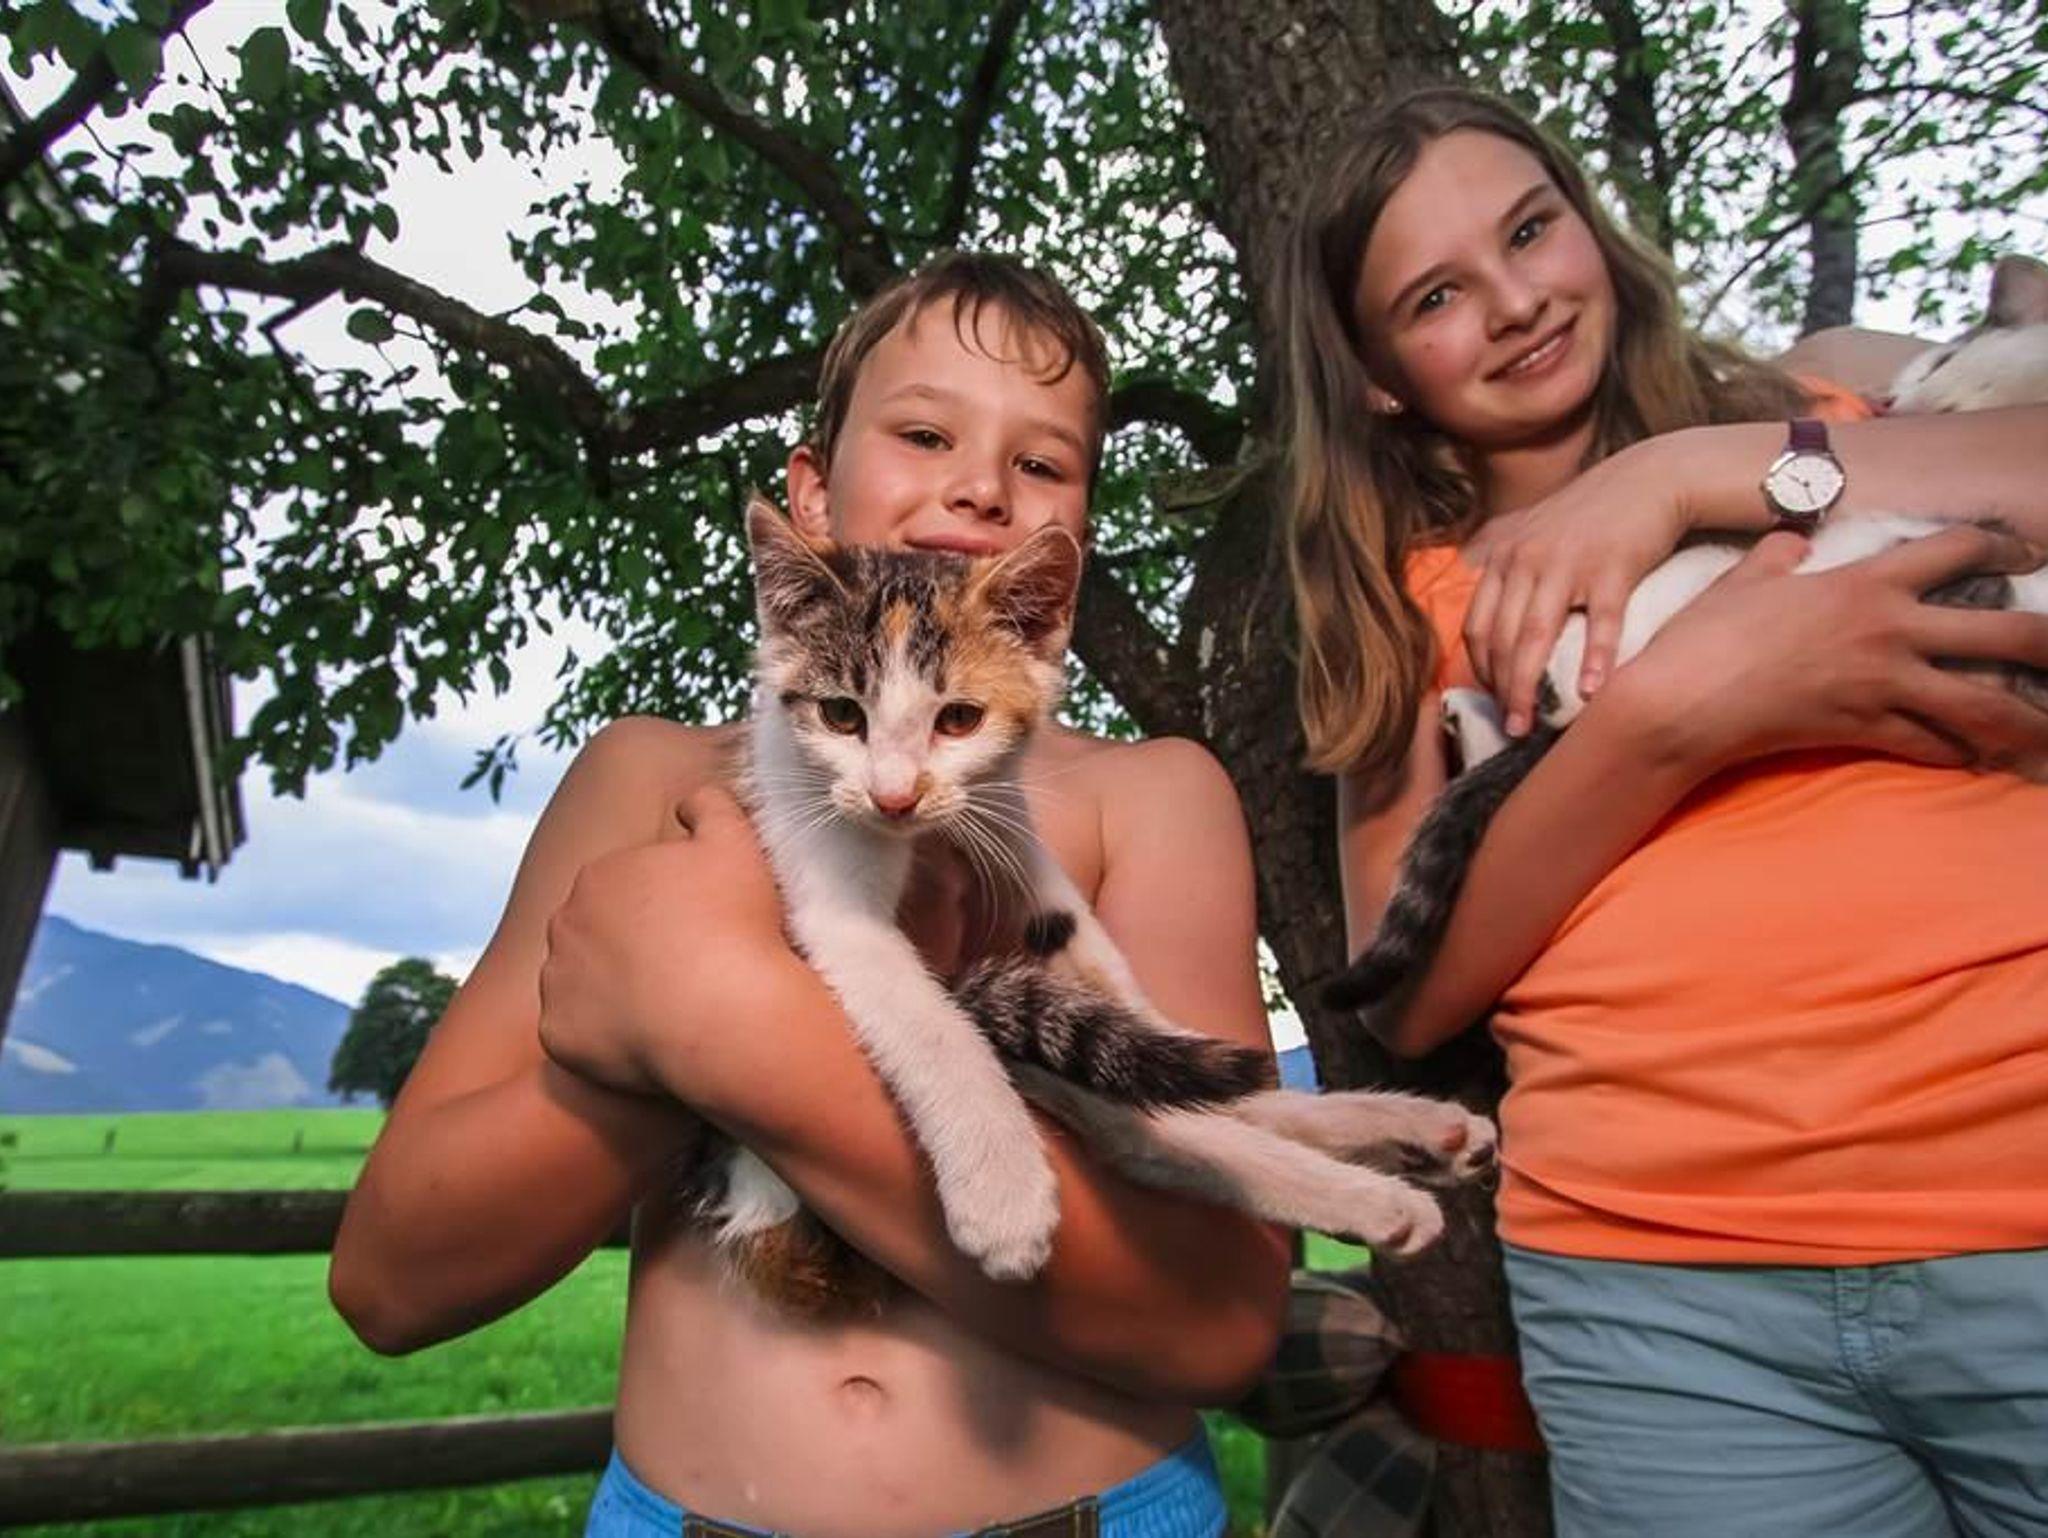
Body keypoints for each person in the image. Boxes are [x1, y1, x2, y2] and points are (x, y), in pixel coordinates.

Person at [329, 253, 1290, 1538]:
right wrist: (652, 1032)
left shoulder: (1152, 797)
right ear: (810, 495)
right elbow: (392, 1280)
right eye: (924, 433)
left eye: (1042, 461)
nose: (982, 484)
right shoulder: (641, 781)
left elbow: (1222, 1318)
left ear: (1064, 561)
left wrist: (716, 1015)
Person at [1280, 86, 2048, 1537]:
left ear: (1588, 222)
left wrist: (1684, 469)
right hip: (1666, 1288)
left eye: (1529, 231)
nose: (1514, 303)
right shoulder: (1407, 597)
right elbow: (1412, 986)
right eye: (1437, 296)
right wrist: (1676, 714)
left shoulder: (1837, 394)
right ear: (1376, 375)